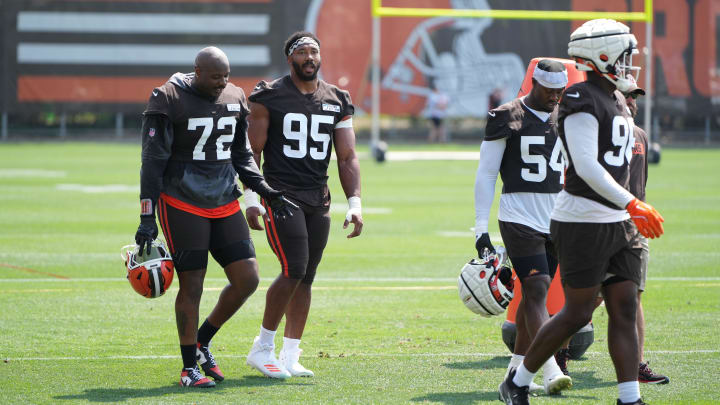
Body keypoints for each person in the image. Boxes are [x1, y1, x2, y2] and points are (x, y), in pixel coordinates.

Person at [498, 19, 665, 405]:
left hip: (620, 223)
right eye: (623, 56)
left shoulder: (619, 99)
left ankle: (629, 397)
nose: (628, 64)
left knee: (624, 306)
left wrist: (629, 208)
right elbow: (586, 166)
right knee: (575, 314)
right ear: (601, 55)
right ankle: (518, 381)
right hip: (584, 221)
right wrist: (633, 202)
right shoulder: (579, 98)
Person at [134, 46, 296, 388]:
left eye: (226, 75)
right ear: (197, 71)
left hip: (223, 197)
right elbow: (152, 160)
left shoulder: (235, 95)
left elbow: (241, 152)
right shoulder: (168, 97)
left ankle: (203, 341)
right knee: (192, 284)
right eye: (215, 76)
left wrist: (265, 190)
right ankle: (188, 368)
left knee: (247, 278)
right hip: (181, 199)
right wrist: (147, 216)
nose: (222, 82)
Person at [244, 31, 363, 379]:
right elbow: (252, 151)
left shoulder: (337, 98)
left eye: (315, 52)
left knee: (306, 277)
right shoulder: (269, 95)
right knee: (293, 268)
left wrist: (354, 203)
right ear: (290, 58)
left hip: (318, 196)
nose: (310, 57)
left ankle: (290, 353)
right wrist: (253, 197)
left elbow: (347, 156)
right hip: (279, 194)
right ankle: (261, 348)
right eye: (303, 52)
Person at [474, 59, 572, 395]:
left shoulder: (569, 116)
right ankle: (549, 367)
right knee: (537, 290)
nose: (556, 97)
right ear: (533, 82)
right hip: (518, 217)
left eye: (561, 90)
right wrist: (480, 229)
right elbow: (487, 174)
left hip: (556, 219)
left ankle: (515, 375)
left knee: (535, 295)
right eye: (549, 90)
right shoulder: (506, 115)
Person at [622, 75, 670, 385]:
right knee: (585, 301)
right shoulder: (598, 133)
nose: (631, 102)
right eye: (626, 96)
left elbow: (642, 183)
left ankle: (637, 364)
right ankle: (558, 357)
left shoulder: (640, 134)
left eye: (634, 97)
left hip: (634, 228)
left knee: (633, 297)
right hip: (601, 225)